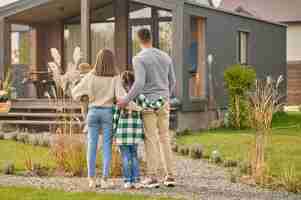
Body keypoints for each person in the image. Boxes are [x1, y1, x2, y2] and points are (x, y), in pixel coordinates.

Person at [117, 28, 177, 188]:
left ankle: (152, 177)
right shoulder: (165, 56)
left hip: (148, 104)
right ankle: (170, 176)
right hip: (163, 102)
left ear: (139, 40)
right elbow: (173, 82)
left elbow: (139, 83)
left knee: (151, 139)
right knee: (165, 138)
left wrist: (126, 99)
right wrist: (166, 97)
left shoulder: (139, 58)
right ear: (151, 38)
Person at [72, 49, 125, 189]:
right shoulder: (115, 77)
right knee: (107, 146)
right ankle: (105, 180)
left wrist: (84, 97)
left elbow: (75, 92)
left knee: (92, 145)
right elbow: (121, 97)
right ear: (112, 61)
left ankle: (91, 179)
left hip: (93, 112)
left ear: (98, 60)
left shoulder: (90, 75)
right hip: (108, 112)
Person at [112, 71, 144, 189]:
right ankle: (136, 180)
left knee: (125, 156)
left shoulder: (121, 97)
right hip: (135, 133)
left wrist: (114, 131)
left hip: (122, 132)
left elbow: (116, 115)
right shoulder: (138, 96)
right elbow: (143, 112)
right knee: (134, 155)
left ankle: (127, 181)